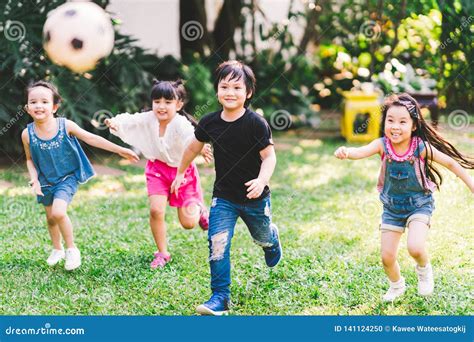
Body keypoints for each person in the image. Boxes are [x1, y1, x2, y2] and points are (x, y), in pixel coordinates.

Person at [334, 93, 474, 301]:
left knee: (415, 247)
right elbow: (361, 151)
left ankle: (424, 270)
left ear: (414, 126)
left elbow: (451, 164)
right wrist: (347, 151)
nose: (395, 126)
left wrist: (471, 185)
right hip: (392, 209)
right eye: (390, 120)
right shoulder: (382, 144)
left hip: (419, 205)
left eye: (402, 121)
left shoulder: (420, 147)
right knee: (386, 257)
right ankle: (397, 285)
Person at [171, 61, 282, 315]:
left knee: (261, 236)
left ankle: (271, 240)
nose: (230, 92)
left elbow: (269, 157)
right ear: (217, 90)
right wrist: (179, 173)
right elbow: (192, 148)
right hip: (224, 198)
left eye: (236, 87)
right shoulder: (209, 123)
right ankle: (220, 297)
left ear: (248, 92)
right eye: (224, 86)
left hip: (255, 198)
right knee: (217, 242)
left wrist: (262, 180)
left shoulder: (256, 123)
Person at [21, 80, 139, 271]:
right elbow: (29, 159)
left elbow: (91, 138)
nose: (39, 105)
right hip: (44, 181)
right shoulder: (27, 134)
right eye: (33, 102)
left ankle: (71, 249)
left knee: (59, 212)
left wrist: (119, 150)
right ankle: (57, 249)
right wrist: (34, 178)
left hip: (67, 177)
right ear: (27, 108)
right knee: (51, 218)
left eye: (44, 101)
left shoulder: (65, 125)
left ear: (54, 107)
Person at [105, 80, 212, 269]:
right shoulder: (148, 118)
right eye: (157, 101)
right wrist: (115, 122)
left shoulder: (180, 123)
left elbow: (191, 138)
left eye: (168, 102)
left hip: (182, 170)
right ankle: (162, 253)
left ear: (178, 105)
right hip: (157, 170)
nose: (161, 106)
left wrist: (201, 148)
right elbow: (131, 119)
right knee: (156, 210)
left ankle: (200, 209)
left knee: (188, 223)